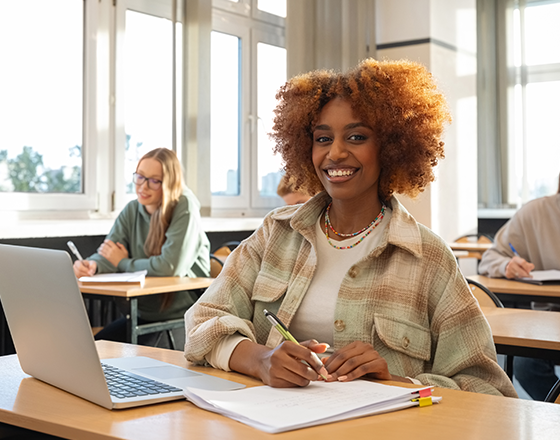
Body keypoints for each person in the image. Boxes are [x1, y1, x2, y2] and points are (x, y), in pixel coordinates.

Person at [184, 59, 516, 397]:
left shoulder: (427, 257)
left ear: (390, 147)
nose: (336, 153)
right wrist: (261, 359)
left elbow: (487, 388)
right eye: (323, 138)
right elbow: (201, 323)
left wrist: (398, 384)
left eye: (356, 137)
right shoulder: (275, 233)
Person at [74, 148, 211, 345]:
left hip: (181, 319)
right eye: (140, 177)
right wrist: (92, 265)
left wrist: (122, 262)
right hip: (141, 316)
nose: (143, 187)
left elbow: (169, 267)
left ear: (170, 183)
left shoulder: (185, 207)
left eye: (154, 181)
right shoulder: (132, 209)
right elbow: (108, 253)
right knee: (90, 352)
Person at [479, 173, 560, 400]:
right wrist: (508, 264)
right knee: (525, 364)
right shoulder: (536, 213)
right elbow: (490, 257)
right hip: (550, 318)